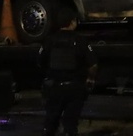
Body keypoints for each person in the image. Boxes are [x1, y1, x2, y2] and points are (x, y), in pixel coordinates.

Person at [37, 8, 98, 136]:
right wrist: (90, 79)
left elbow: (40, 61)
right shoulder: (81, 40)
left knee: (50, 124)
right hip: (75, 88)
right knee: (71, 125)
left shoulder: (49, 40)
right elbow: (93, 64)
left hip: (54, 88)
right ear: (72, 22)